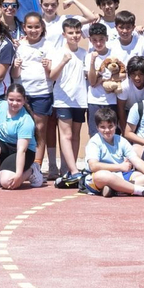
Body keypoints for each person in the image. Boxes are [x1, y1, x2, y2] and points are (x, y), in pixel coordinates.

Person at [83, 108, 144, 197]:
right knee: (102, 175)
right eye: (102, 127)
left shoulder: (121, 140)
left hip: (120, 175)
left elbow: (137, 161)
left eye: (110, 126)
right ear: (97, 128)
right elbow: (93, 166)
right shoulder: (94, 142)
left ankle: (116, 189)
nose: (107, 130)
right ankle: (142, 191)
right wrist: (120, 166)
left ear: (116, 125)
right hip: (99, 177)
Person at [11, 12, 54, 180]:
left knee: (39, 129)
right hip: (22, 93)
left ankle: (36, 166)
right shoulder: (19, 46)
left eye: (37, 27)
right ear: (24, 28)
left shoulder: (48, 45)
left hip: (42, 91)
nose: (33, 30)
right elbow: (14, 73)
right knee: (21, 129)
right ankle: (20, 164)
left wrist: (47, 67)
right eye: (30, 27)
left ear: (42, 27)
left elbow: (52, 73)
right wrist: (16, 67)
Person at [49, 17, 89, 185]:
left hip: (80, 100)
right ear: (64, 34)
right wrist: (64, 62)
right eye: (71, 33)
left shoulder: (84, 53)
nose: (75, 36)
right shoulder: (57, 52)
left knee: (76, 136)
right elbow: (52, 76)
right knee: (66, 135)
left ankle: (69, 169)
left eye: (77, 32)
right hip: (63, 100)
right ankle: (73, 170)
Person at [0, 84, 36, 190]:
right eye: (11, 99)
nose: (14, 103)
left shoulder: (26, 120)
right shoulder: (0, 105)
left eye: (19, 100)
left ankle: (31, 171)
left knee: (7, 183)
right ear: (6, 98)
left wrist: (19, 175)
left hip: (24, 152)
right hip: (5, 147)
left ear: (24, 100)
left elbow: (22, 151)